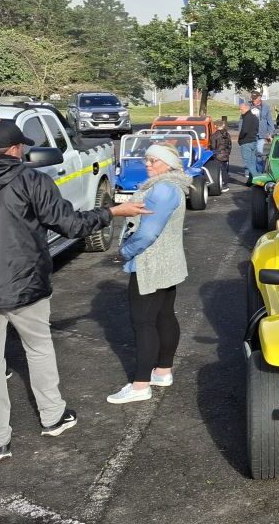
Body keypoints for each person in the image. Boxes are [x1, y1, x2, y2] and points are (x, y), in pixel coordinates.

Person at [0, 120, 149, 461]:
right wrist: (112, 211)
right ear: (15, 149)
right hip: (26, 283)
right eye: (23, 147)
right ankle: (53, 416)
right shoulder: (32, 179)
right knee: (39, 349)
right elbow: (71, 225)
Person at [107, 144, 191, 405]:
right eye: (147, 159)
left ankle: (140, 384)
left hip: (150, 264)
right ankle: (163, 372)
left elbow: (147, 232)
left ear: (168, 164)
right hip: (167, 263)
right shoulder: (174, 186)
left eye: (154, 160)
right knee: (164, 316)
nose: (148, 164)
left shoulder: (163, 189)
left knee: (144, 323)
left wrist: (125, 251)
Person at [238, 102, 261, 182]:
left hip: (246, 142)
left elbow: (244, 130)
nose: (240, 111)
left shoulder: (247, 117)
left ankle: (258, 180)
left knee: (248, 163)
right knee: (253, 162)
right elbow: (256, 129)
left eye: (241, 109)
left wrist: (240, 139)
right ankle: (250, 182)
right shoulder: (255, 117)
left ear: (246, 108)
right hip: (253, 141)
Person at [251, 92, 275, 166]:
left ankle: (260, 170)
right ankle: (248, 171)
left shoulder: (266, 106)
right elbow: (242, 120)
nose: (253, 100)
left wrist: (270, 133)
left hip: (262, 134)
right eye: (253, 98)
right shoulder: (248, 106)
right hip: (251, 134)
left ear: (259, 98)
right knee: (250, 153)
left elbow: (270, 120)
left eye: (255, 99)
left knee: (260, 153)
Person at [209, 116, 232, 192]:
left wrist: (213, 154)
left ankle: (224, 185)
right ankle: (225, 183)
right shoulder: (227, 134)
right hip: (226, 154)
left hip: (218, 155)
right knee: (225, 169)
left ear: (215, 126)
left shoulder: (214, 135)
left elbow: (213, 146)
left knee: (220, 170)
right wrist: (228, 153)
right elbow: (230, 145)